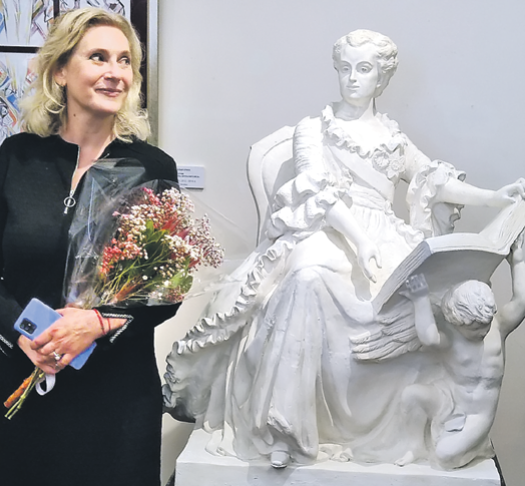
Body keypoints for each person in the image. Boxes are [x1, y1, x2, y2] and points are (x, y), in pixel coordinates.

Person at [162, 29, 525, 468]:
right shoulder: (314, 129)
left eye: (364, 69)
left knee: (429, 297)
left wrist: (494, 197)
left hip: (386, 237)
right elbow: (317, 191)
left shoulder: (392, 136)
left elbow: (433, 177)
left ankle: (411, 425)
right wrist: (360, 240)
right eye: (346, 68)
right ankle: (285, 427)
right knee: (306, 277)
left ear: (382, 78)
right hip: (329, 229)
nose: (353, 78)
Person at [0, 8, 178, 486]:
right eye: (98, 57)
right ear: (60, 70)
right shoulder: (18, 157)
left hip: (117, 394)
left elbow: (167, 289)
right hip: (26, 378)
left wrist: (96, 323)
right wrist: (22, 332)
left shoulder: (152, 167)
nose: (115, 72)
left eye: (125, 61)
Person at [395, 233, 525, 470]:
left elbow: (522, 301)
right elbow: (429, 337)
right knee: (410, 395)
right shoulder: (453, 339)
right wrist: (420, 299)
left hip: (478, 416)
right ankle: (416, 447)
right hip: (449, 398)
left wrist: (518, 260)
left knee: (445, 457)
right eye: (473, 328)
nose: (482, 332)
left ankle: (480, 445)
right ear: (456, 322)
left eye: (485, 324)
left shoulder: (499, 327)